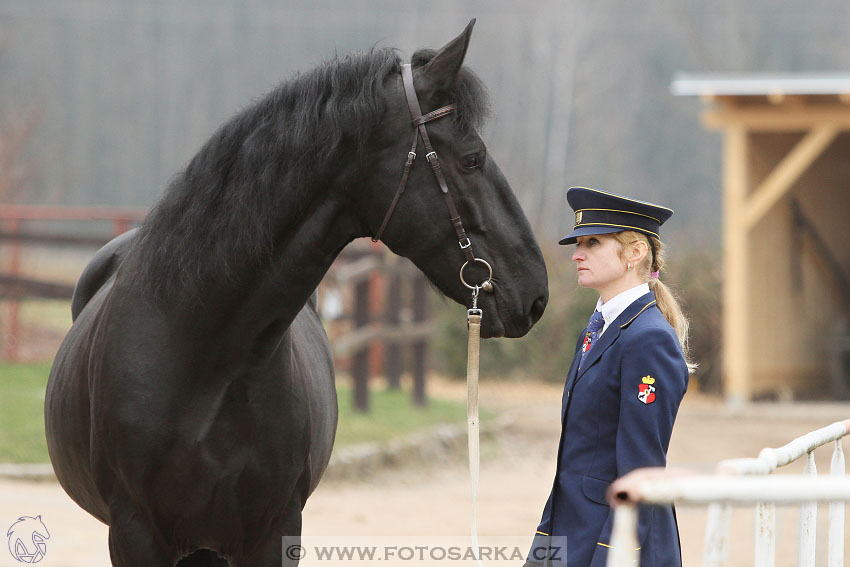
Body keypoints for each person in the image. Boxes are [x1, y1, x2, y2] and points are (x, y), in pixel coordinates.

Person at [526, 186, 691, 567]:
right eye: (577, 243)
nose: (577, 254)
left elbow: (641, 469)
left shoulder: (648, 338)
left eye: (592, 243)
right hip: (570, 527)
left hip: (611, 538)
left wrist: (614, 554)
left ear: (635, 253)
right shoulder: (600, 326)